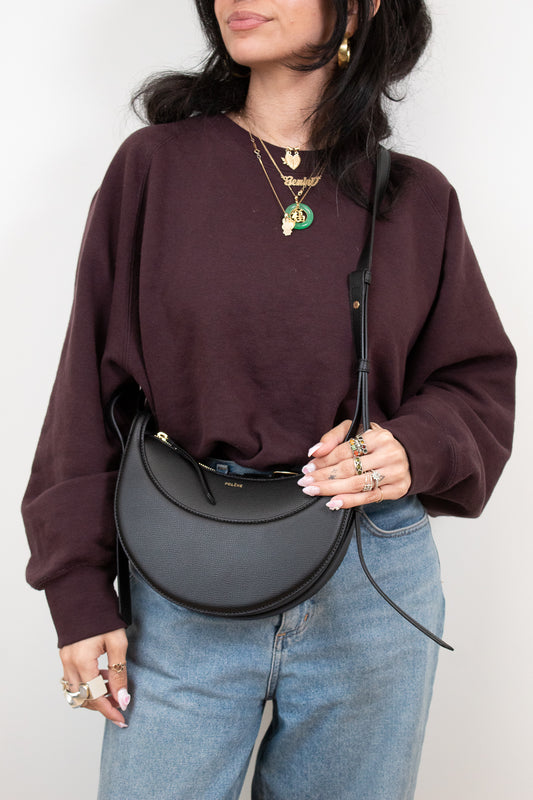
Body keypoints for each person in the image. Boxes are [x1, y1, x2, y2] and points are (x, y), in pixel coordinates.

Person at [21, 1, 516, 798]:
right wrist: (77, 590)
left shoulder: (416, 198)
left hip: (372, 577)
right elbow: (87, 389)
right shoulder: (156, 167)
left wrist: (413, 446)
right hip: (185, 567)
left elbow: (475, 382)